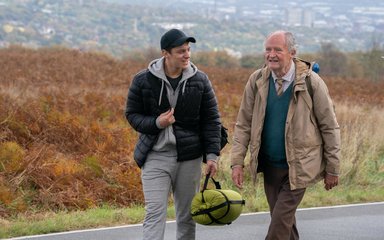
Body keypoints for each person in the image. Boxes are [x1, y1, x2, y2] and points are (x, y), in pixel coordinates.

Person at [230, 30, 341, 240]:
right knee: (285, 226)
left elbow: (330, 127)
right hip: (270, 166)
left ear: (292, 52)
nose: (271, 54)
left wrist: (333, 168)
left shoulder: (312, 83)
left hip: (299, 167)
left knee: (279, 224)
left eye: (277, 50)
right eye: (268, 49)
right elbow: (243, 123)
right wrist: (237, 162)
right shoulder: (257, 80)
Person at [125, 28, 222, 240]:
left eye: (188, 50)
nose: (187, 55)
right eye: (180, 51)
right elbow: (132, 115)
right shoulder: (142, 80)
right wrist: (157, 122)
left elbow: (212, 120)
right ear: (165, 54)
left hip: (189, 158)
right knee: (154, 214)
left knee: (187, 217)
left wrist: (212, 155)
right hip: (155, 157)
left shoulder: (200, 80)